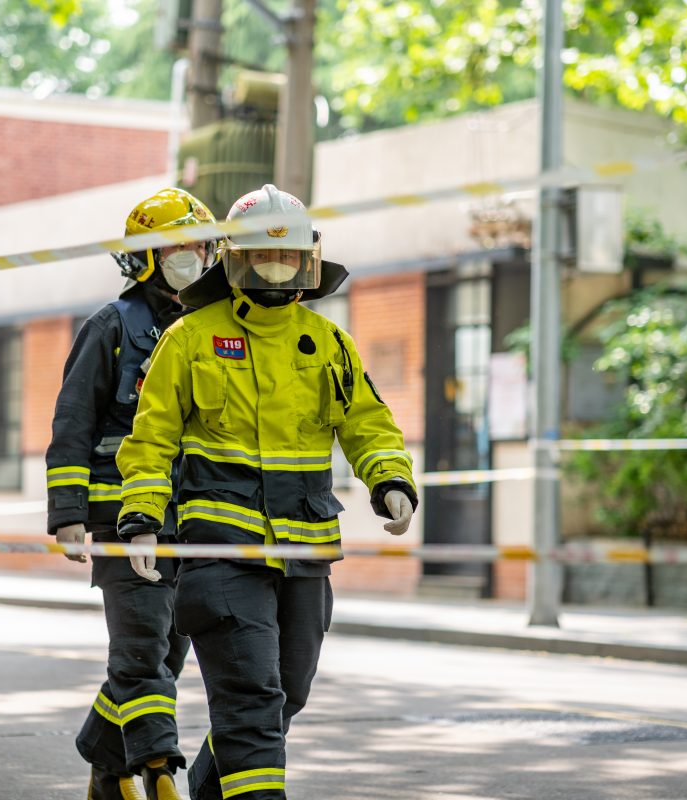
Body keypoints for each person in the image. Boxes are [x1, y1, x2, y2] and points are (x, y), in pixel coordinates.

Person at [115, 184, 418, 800]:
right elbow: (150, 440)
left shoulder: (327, 341)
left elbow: (366, 421)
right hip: (220, 553)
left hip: (305, 552)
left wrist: (389, 478)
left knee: (285, 695)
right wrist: (141, 517)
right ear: (233, 260)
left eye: (289, 258)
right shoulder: (190, 337)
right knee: (252, 698)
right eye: (263, 257)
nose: (277, 269)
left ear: (309, 260)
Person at [46, 187, 219, 800]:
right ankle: (156, 774)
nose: (193, 259)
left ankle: (102, 758)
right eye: (179, 249)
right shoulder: (112, 327)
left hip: (193, 521)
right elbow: (72, 424)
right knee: (144, 653)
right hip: (120, 516)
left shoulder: (210, 330)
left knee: (165, 656)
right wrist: (69, 515)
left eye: (202, 248)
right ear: (146, 256)